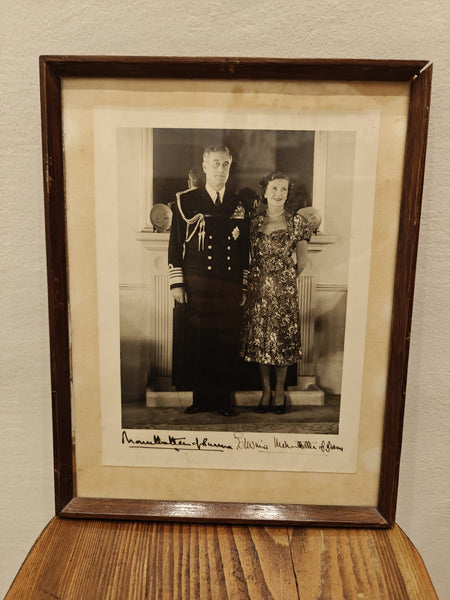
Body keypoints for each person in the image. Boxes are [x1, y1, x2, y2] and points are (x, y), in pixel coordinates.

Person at [168, 144, 249, 416]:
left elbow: (244, 249)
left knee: (225, 342)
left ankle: (223, 401)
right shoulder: (187, 201)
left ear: (230, 167)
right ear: (204, 167)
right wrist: (177, 282)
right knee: (199, 341)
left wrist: (244, 284)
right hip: (197, 283)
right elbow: (175, 244)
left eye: (225, 164)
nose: (220, 169)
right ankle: (201, 399)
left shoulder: (239, 203)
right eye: (215, 163)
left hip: (228, 283)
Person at [240, 171, 313, 414]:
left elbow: (302, 262)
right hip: (258, 289)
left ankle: (280, 392)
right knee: (261, 341)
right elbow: (246, 256)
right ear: (265, 191)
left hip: (284, 291)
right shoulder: (253, 221)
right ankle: (266, 391)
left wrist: (282, 280)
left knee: (280, 342)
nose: (279, 194)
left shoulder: (297, 222)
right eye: (274, 189)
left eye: (284, 189)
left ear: (288, 193)